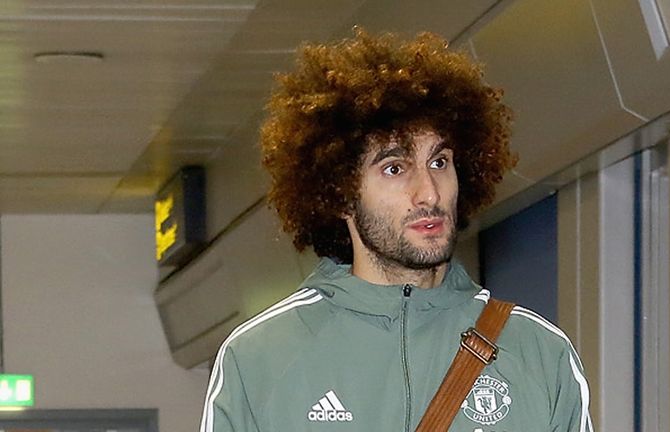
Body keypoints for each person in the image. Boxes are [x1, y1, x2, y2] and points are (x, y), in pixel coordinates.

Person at [200, 28, 593, 432]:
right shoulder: (259, 358)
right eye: (395, 168)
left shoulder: (540, 354)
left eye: (439, 163)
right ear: (340, 195)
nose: (429, 192)